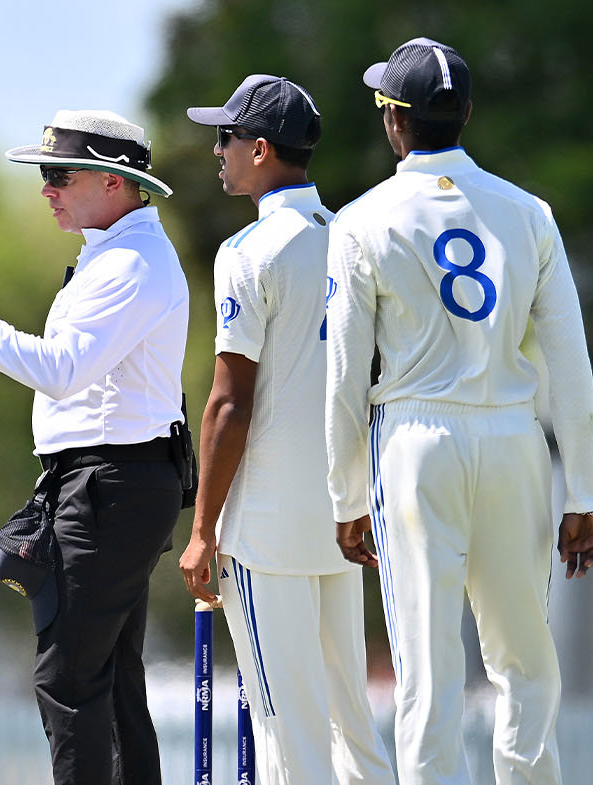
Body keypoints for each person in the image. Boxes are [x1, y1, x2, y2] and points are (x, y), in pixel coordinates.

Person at [0, 110, 188, 785]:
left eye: (58, 175)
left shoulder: (131, 263)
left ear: (114, 182)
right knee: (108, 682)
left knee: (70, 679)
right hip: (111, 479)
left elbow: (58, 369)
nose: (46, 189)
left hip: (110, 481)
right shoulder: (117, 254)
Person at [327, 37, 593, 785]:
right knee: (524, 660)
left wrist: (345, 493)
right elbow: (570, 364)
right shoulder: (530, 212)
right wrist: (583, 491)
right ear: (467, 113)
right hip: (514, 438)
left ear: (393, 121)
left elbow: (346, 375)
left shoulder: (360, 220)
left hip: (415, 442)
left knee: (429, 667)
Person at [176, 75, 394, 784]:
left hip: (267, 531)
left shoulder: (248, 252)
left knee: (284, 728)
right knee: (349, 725)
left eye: (227, 137)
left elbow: (228, 403)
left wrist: (204, 527)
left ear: (261, 149)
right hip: (342, 520)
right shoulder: (354, 240)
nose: (218, 151)